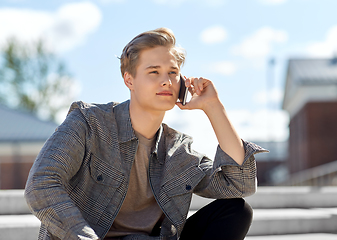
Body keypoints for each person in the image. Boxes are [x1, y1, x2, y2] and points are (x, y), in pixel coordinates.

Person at [25, 27, 268, 240]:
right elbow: (41, 184)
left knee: (236, 211)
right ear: (129, 80)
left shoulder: (179, 150)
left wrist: (213, 107)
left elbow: (239, 186)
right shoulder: (89, 123)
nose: (166, 81)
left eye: (173, 72)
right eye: (154, 72)